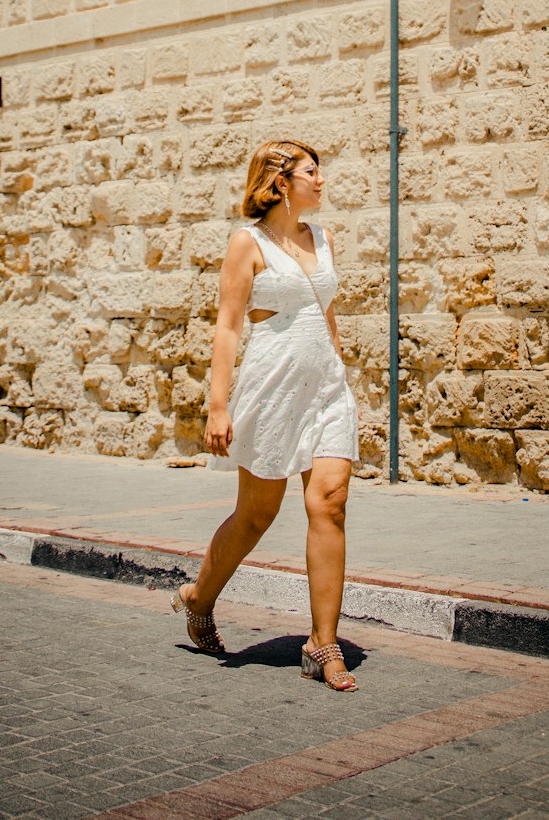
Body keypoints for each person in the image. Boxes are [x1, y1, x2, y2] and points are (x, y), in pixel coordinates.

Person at [171, 138, 360, 691]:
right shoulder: (246, 243)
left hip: (326, 387)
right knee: (257, 515)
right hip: (272, 387)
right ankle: (198, 598)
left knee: (330, 502)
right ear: (280, 183)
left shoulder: (323, 238)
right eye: (311, 172)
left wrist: (339, 370)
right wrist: (217, 405)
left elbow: (326, 313)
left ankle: (322, 644)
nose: (321, 180)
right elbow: (229, 326)